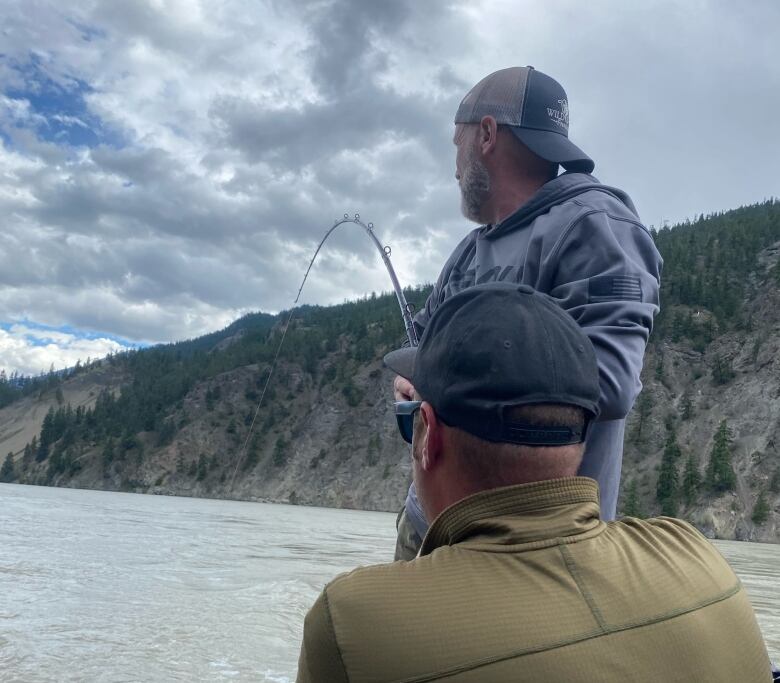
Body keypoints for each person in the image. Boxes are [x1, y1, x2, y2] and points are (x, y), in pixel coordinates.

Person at [297, 283, 772, 682]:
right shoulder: (694, 555)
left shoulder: (352, 624)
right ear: (584, 430)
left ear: (428, 436)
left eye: (410, 425)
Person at [393, 66, 663, 560]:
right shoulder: (468, 253)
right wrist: (413, 381)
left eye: (458, 144)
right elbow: (420, 349)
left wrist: (451, 381)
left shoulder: (596, 227)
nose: (455, 166)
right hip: (429, 525)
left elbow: (610, 383)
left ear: (488, 135)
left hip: (536, 548)